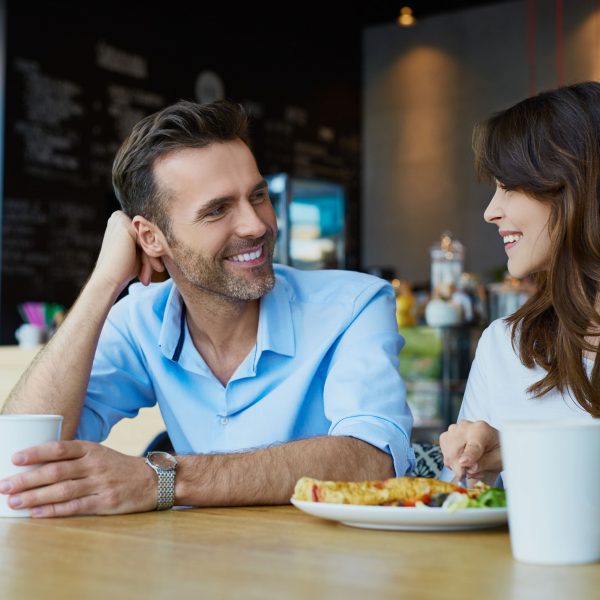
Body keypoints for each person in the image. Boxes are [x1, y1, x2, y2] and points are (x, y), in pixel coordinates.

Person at [0, 99, 414, 517]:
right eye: (217, 210)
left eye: (258, 196)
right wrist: (104, 283)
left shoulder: (356, 305)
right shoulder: (142, 320)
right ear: (151, 237)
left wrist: (162, 479)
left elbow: (373, 460)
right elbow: (22, 457)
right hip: (198, 567)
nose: (256, 225)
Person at [440, 81, 600, 485]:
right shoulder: (506, 347)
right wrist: (474, 466)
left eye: (508, 186)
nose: (490, 212)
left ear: (575, 188)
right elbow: (458, 505)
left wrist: (521, 449)